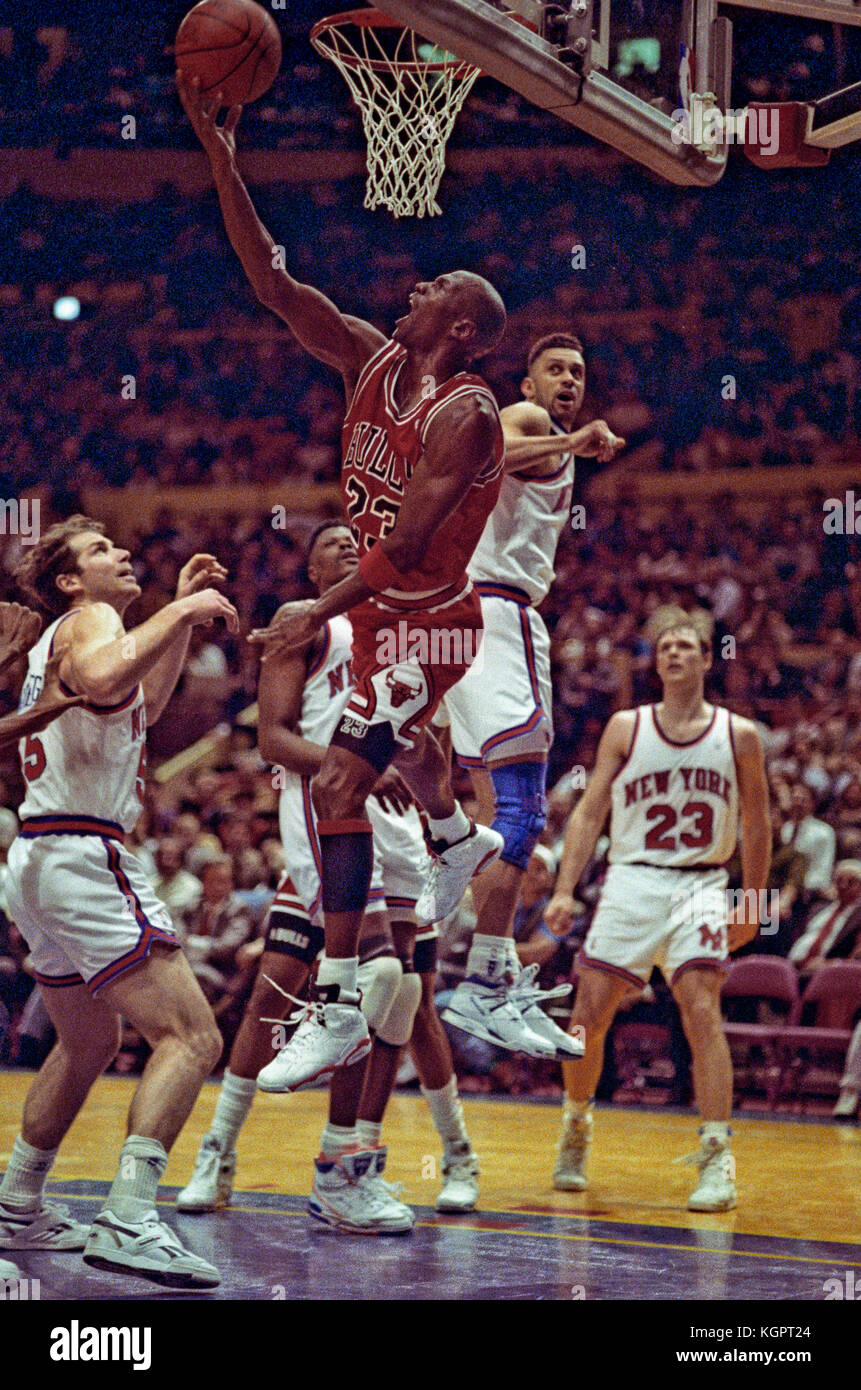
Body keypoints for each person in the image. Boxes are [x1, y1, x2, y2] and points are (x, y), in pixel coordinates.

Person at [178, 74, 507, 1091]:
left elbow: (407, 543)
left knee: (337, 779)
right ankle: (456, 839)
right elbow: (275, 283)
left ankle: (331, 996)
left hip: (432, 622)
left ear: (459, 325)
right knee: (355, 781)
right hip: (374, 624)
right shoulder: (371, 359)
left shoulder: (468, 409)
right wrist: (221, 157)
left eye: (433, 288)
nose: (412, 289)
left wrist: (309, 612)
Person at [177, 522, 480, 1231]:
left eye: (358, 539)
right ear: (310, 567)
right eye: (331, 541)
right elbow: (273, 739)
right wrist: (357, 767)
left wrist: (419, 770)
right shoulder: (301, 624)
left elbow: (423, 741)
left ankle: (346, 1161)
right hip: (327, 808)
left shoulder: (402, 630)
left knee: (398, 997)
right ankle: (219, 1151)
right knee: (316, 992)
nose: (349, 544)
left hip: (394, 825)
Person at [0, 515, 238, 1288]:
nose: (122, 554)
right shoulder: (90, 620)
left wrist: (174, 609)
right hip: (81, 850)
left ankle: (18, 1201)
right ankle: (130, 1217)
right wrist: (182, 612)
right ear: (70, 581)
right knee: (192, 1039)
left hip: (36, 858)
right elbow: (106, 680)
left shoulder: (68, 639)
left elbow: (140, 702)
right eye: (101, 551)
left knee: (90, 1043)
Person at [434, 333, 624, 1055]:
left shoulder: (547, 434)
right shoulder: (529, 420)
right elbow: (478, 459)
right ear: (528, 380)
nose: (569, 379)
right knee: (521, 808)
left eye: (578, 371)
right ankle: (485, 984)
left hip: (467, 614)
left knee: (492, 810)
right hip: (497, 615)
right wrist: (573, 437)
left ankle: (480, 966)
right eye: (555, 369)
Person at [545, 606, 771, 1211]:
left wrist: (752, 898)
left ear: (705, 658)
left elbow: (756, 822)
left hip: (699, 883)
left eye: (686, 645)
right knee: (588, 1015)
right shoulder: (626, 726)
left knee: (702, 1010)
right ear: (656, 660)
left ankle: (718, 1157)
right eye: (665, 645)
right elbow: (590, 812)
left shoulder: (740, 735)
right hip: (630, 880)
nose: (674, 653)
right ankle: (576, 1125)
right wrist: (566, 887)